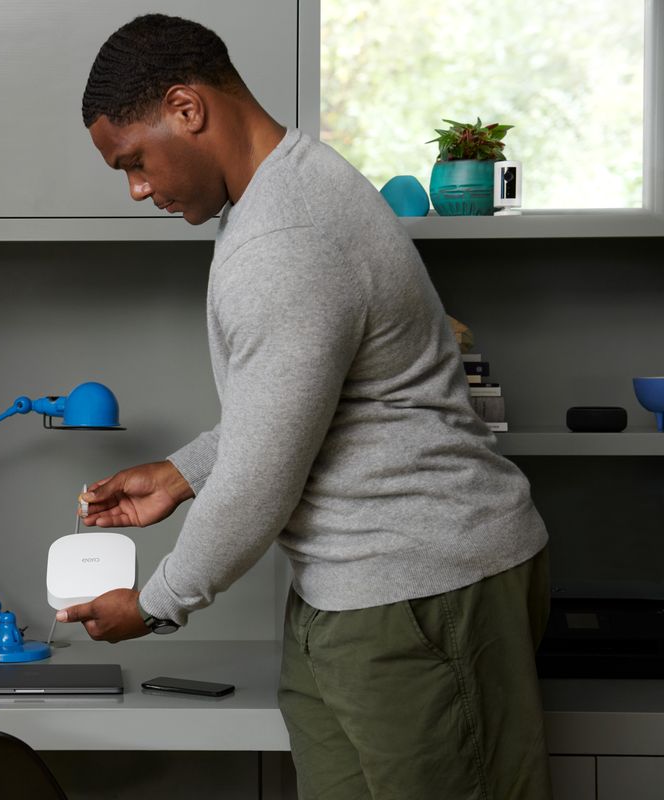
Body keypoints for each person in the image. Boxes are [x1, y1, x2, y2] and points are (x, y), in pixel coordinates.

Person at [54, 13, 553, 800]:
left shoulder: (284, 236)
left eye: (135, 161)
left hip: (423, 591)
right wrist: (182, 474)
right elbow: (294, 407)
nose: (139, 188)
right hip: (349, 594)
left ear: (187, 108)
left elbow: (260, 479)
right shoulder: (281, 196)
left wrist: (152, 606)